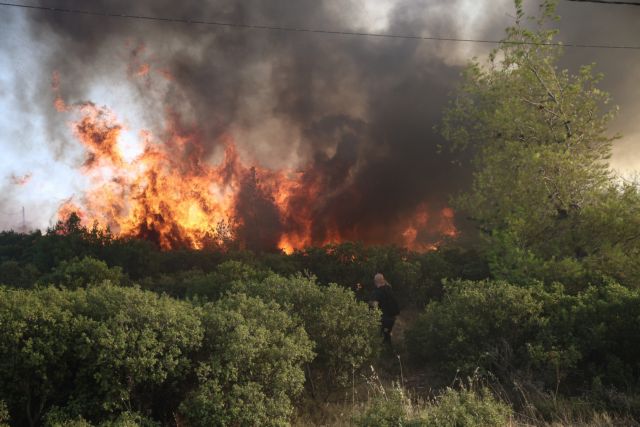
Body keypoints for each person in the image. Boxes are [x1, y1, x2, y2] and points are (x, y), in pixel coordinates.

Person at [368, 273, 400, 345]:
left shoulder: (377, 292)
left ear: (375, 281)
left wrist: (372, 319)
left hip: (383, 320)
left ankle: (385, 353)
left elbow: (375, 305)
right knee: (387, 337)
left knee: (381, 339)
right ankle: (389, 352)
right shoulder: (389, 289)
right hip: (392, 319)